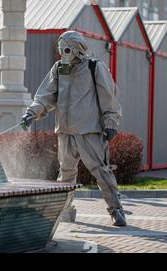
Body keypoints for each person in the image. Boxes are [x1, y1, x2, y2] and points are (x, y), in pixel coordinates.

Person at [20, 31, 126, 226]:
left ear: (78, 49)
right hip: (65, 131)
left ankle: (116, 210)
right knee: (66, 173)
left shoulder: (95, 68)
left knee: (101, 171)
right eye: (61, 50)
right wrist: (32, 113)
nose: (63, 54)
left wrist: (111, 122)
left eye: (67, 49)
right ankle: (66, 210)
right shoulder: (59, 68)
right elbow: (45, 95)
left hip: (89, 131)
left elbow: (109, 97)